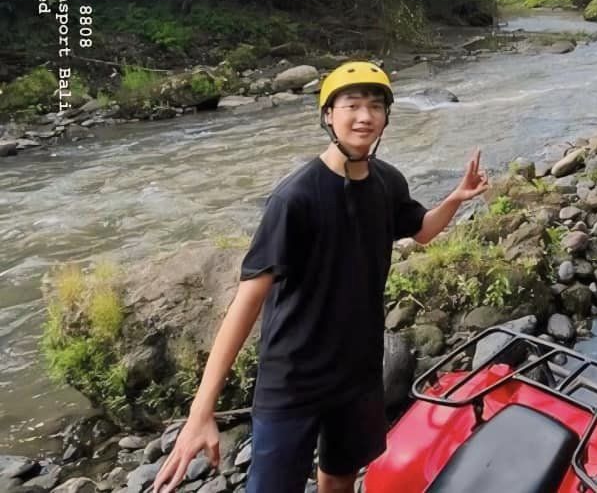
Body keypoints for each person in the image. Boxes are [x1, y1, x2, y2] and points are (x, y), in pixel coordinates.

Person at [152, 62, 491, 493]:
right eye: (352, 105)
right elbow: (247, 300)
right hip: (293, 379)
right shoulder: (295, 198)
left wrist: (456, 198)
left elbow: (421, 231)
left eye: (375, 106)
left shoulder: (387, 182)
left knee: (340, 478)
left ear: (387, 116)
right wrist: (201, 411)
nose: (365, 116)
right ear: (329, 114)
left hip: (357, 372)